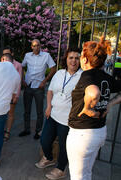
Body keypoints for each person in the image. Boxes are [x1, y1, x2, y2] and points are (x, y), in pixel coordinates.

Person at [66, 37, 121, 180]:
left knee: (77, 176)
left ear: (85, 59)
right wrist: (109, 104)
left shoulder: (87, 75)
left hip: (82, 135)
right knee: (87, 172)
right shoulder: (106, 77)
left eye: (81, 57)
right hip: (99, 132)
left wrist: (88, 108)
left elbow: (93, 92)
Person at [35, 47, 82, 179]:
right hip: (53, 115)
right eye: (71, 57)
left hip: (68, 120)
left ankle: (61, 169)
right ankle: (49, 158)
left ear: (80, 60)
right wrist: (48, 106)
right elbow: (50, 91)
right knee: (44, 140)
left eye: (77, 58)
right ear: (66, 59)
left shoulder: (82, 76)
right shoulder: (59, 73)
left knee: (64, 146)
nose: (73, 61)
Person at [19, 39, 56, 139]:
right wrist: (22, 79)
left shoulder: (46, 56)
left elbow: (53, 68)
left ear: (40, 46)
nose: (36, 47)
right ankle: (27, 129)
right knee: (26, 110)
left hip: (39, 87)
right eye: (34, 46)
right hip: (28, 86)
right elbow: (21, 66)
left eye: (38, 45)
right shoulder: (27, 55)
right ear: (31, 47)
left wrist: (45, 81)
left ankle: (38, 131)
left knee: (39, 111)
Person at [2, 46, 22, 141]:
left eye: (7, 54)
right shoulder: (0, 64)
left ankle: (7, 132)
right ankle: (0, 130)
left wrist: (16, 95)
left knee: (10, 113)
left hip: (12, 94)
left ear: (12, 54)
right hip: (1, 93)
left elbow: (19, 81)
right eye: (4, 54)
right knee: (1, 112)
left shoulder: (17, 65)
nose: (5, 56)